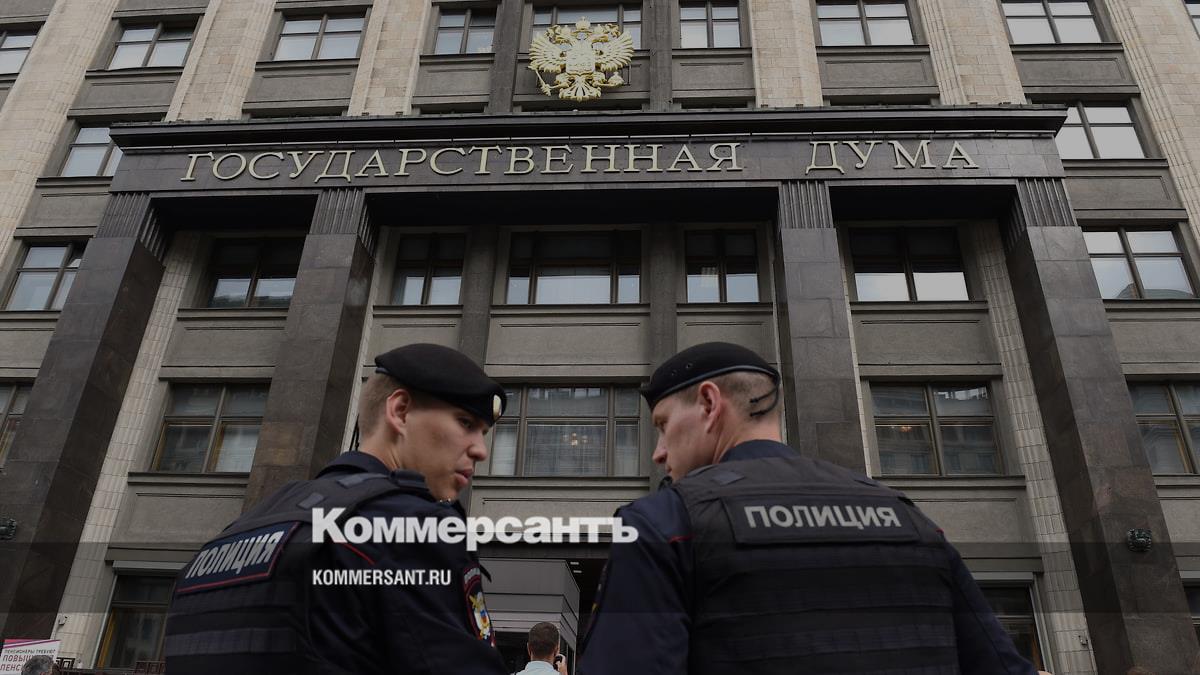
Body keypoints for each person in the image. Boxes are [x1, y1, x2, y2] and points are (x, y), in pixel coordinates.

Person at [579, 342, 1039, 675]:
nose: (659, 452)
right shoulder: (908, 517)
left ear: (708, 404)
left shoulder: (664, 522)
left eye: (663, 425)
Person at [164, 343, 510, 675]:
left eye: (483, 432)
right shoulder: (410, 526)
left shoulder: (234, 535)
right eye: (465, 423)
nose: (480, 450)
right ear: (400, 411)